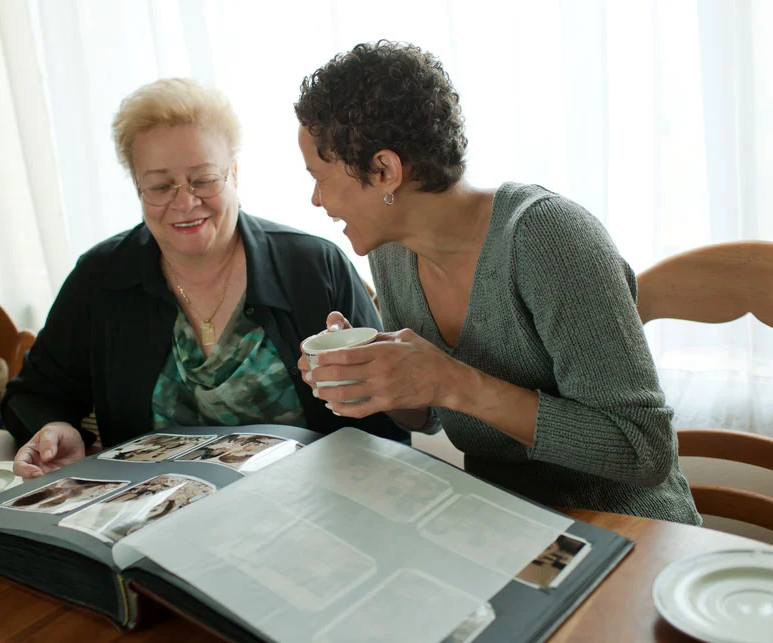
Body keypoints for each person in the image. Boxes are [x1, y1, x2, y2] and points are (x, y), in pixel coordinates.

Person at [294, 41, 700, 524]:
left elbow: (642, 450)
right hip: (507, 526)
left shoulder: (548, 237)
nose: (316, 200)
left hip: (626, 528)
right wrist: (379, 375)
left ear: (384, 170)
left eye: (319, 177)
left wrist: (452, 381)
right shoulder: (391, 250)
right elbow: (428, 416)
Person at [5, 77, 406, 480]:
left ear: (234, 173)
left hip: (306, 511)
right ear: (138, 188)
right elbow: (33, 395)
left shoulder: (314, 266)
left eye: (203, 179)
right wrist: (58, 429)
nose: (184, 202)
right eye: (160, 186)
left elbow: (383, 424)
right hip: (150, 519)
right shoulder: (103, 276)